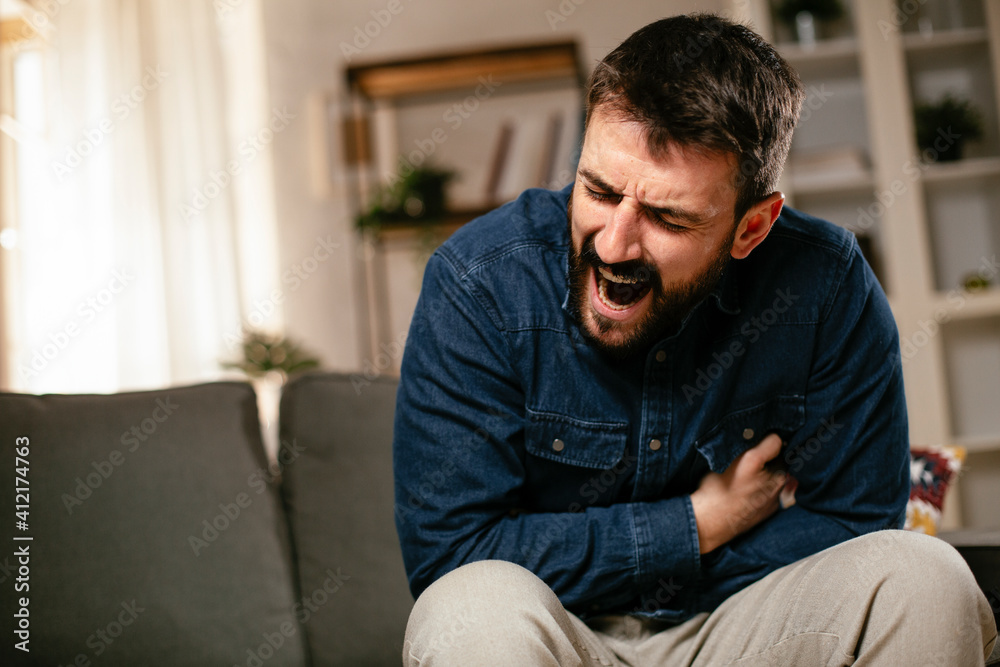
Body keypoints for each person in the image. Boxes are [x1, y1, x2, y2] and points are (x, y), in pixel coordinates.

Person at [393, 13, 997, 666]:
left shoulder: (825, 284)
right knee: (467, 606)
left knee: (924, 577)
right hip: (556, 631)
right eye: (598, 189)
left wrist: (649, 563)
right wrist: (699, 522)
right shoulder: (478, 282)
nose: (613, 243)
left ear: (752, 227)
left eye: (667, 217)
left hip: (745, 622)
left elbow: (855, 521)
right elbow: (451, 552)